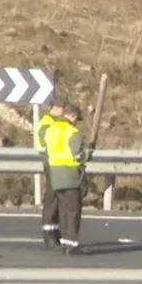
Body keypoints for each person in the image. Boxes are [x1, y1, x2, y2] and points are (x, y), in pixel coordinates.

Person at [43, 104, 91, 255]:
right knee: (72, 210)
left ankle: (64, 241)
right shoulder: (73, 132)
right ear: (73, 116)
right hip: (70, 174)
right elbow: (78, 155)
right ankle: (72, 244)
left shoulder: (51, 130)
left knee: (62, 209)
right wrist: (88, 154)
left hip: (55, 174)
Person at [35, 98, 66, 248]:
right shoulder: (47, 123)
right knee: (52, 198)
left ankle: (55, 231)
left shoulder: (54, 123)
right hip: (51, 163)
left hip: (56, 163)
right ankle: (49, 233)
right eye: (62, 108)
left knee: (57, 198)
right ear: (55, 108)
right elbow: (45, 144)